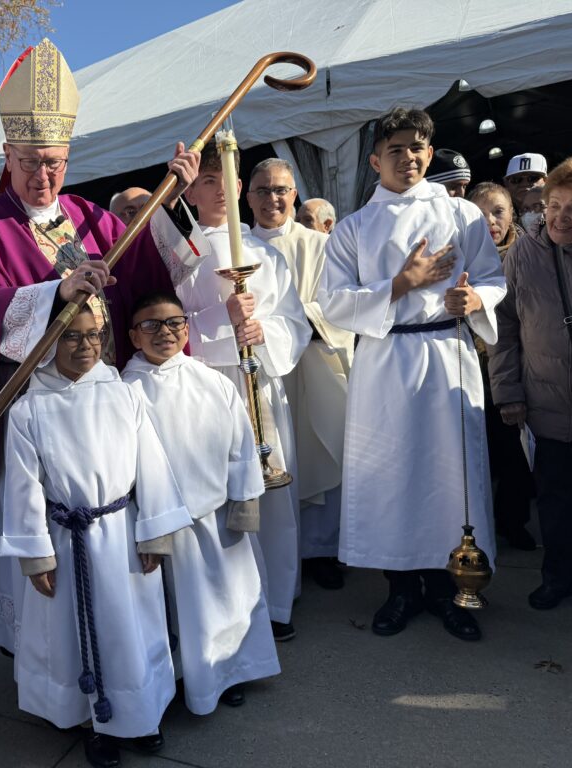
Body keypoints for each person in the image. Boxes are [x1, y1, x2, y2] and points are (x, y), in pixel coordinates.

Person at [0, 38, 206, 654]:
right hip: (36, 413)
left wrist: (169, 204)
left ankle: (123, 658)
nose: (44, 176)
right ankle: (51, 664)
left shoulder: (97, 220)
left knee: (117, 544)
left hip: (107, 410)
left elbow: (157, 280)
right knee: (48, 549)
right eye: (32, 161)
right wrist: (52, 292)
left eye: (56, 162)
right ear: (7, 155)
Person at [318, 107, 505, 642]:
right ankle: (400, 589)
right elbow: (332, 303)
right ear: (375, 159)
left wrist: (472, 298)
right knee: (391, 475)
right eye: (396, 149)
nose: (409, 157)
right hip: (386, 361)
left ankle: (450, 589)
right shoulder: (354, 227)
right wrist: (401, 284)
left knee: (451, 479)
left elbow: (493, 278)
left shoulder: (462, 215)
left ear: (430, 152)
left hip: (447, 350)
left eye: (418, 147)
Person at [0, 305, 192, 768]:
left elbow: (152, 466)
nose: (84, 346)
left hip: (121, 534)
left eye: (93, 336)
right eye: (71, 337)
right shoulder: (29, 408)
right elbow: (23, 486)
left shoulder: (124, 396)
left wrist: (155, 536)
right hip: (69, 540)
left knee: (133, 630)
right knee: (75, 634)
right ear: (48, 344)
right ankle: (91, 720)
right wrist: (35, 556)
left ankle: (140, 713)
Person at [122, 291, 279, 713]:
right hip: (164, 523)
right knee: (178, 612)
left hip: (219, 514)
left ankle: (230, 671)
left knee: (230, 599)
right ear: (134, 337)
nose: (164, 333)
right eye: (151, 326)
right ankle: (184, 679)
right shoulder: (125, 390)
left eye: (174, 323)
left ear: (187, 329)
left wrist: (245, 499)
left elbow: (241, 441)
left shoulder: (211, 379)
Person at [180, 142, 309, 642]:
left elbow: (292, 321)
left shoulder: (265, 254)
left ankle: (276, 601)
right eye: (206, 181)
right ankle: (228, 609)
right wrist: (221, 324)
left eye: (225, 180)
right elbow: (167, 322)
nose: (217, 190)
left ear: (239, 188)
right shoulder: (181, 253)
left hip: (261, 384)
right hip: (208, 389)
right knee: (221, 499)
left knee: (273, 495)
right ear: (190, 190)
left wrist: (263, 333)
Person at [247, 158, 354, 592]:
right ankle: (278, 551)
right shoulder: (239, 249)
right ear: (247, 196)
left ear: (294, 194)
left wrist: (293, 320)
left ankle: (323, 550)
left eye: (281, 190)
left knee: (319, 452)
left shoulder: (321, 245)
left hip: (314, 365)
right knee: (276, 461)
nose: (273, 198)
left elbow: (342, 304)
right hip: (265, 374)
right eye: (263, 190)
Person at [488, 157, 572, 610]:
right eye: (553, 205)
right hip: (546, 400)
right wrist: (509, 394)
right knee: (555, 499)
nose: (560, 217)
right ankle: (558, 576)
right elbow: (504, 328)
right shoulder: (524, 252)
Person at [467, 182, 536, 551]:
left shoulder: (529, 255)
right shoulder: (461, 258)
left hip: (518, 371)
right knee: (480, 455)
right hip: (474, 370)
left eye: (498, 211)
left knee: (515, 456)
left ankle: (513, 520)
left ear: (512, 214)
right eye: (480, 213)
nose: (491, 221)